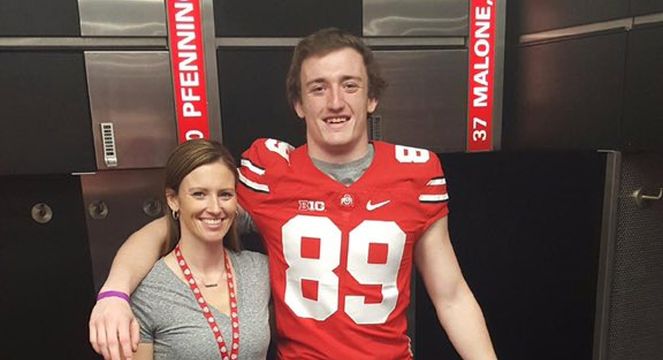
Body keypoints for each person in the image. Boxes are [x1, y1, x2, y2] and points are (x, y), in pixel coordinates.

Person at [89, 28, 497, 359]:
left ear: (372, 97)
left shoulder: (416, 174)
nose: (335, 101)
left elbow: (452, 295)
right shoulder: (271, 173)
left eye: (349, 85)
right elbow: (166, 228)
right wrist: (114, 292)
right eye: (318, 88)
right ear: (298, 104)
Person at [92, 139, 270, 359]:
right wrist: (114, 292)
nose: (215, 208)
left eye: (225, 194)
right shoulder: (150, 292)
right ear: (173, 200)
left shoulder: (259, 272)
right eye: (199, 194)